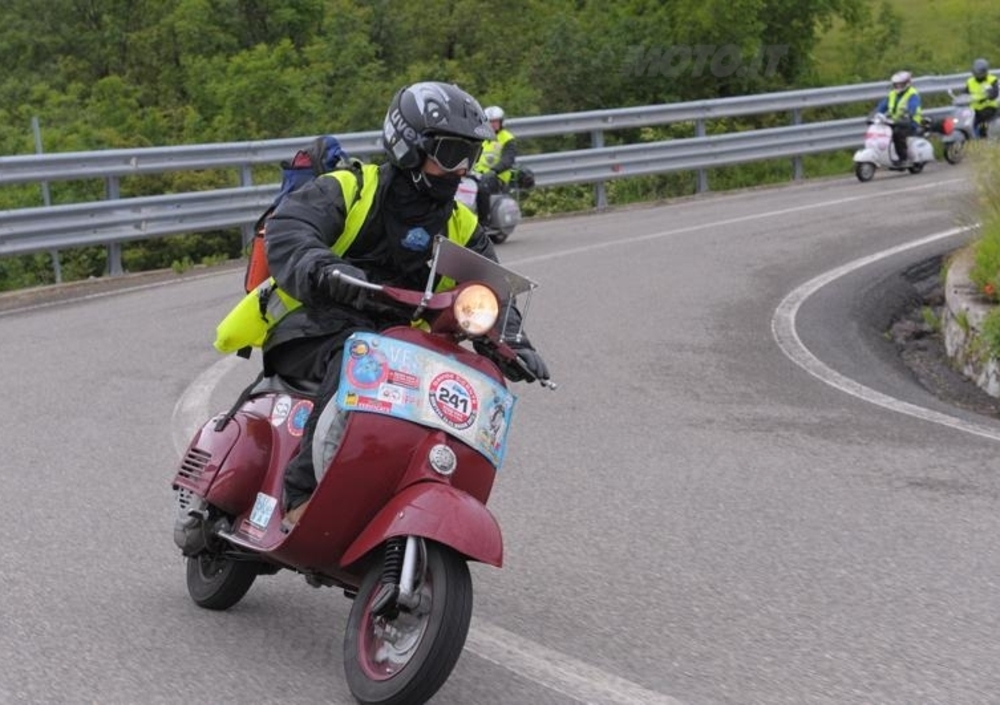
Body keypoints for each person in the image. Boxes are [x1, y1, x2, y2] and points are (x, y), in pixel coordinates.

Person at [248, 82, 549, 525]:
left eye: (470, 156)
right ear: (410, 145)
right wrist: (323, 268)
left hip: (397, 342)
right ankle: (301, 496)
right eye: (451, 153)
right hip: (313, 325)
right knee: (360, 356)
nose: (461, 169)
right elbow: (291, 229)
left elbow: (489, 287)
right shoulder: (351, 189)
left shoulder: (460, 223)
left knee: (458, 377)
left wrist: (512, 340)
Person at [473, 105, 518, 225]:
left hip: (497, 177)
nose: (492, 124)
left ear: (501, 122)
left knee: (482, 188)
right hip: (477, 174)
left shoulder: (507, 138)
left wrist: (494, 171)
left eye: (495, 122)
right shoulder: (481, 137)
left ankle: (484, 223)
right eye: (490, 122)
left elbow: (508, 160)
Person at [875, 70, 922, 167]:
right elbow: (882, 106)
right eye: (896, 84)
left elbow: (913, 106)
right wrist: (876, 114)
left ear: (907, 83)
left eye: (901, 84)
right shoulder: (892, 94)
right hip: (895, 122)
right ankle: (885, 157)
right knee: (881, 131)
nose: (898, 86)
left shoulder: (912, 94)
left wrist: (908, 114)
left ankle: (903, 158)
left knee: (897, 133)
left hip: (910, 122)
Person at [958, 58, 999, 138]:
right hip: (974, 109)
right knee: (966, 118)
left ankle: (983, 135)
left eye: (979, 72)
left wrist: (988, 96)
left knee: (982, 119)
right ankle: (969, 136)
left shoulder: (992, 80)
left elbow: (995, 93)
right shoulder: (970, 81)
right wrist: (960, 98)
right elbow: (965, 92)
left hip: (989, 107)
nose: (977, 74)